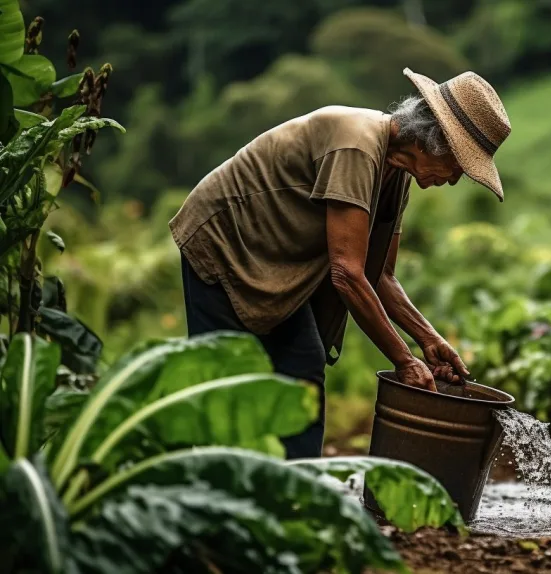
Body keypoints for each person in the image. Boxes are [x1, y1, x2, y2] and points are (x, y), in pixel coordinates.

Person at [168, 68, 512, 459]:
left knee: (303, 366)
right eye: (459, 165)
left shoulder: (395, 176)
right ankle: (210, 495)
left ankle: (297, 494)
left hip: (280, 265)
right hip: (225, 242)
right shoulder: (357, 145)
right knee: (224, 378)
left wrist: (428, 339)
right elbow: (347, 273)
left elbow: (379, 275)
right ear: (435, 140)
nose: (454, 180)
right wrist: (403, 360)